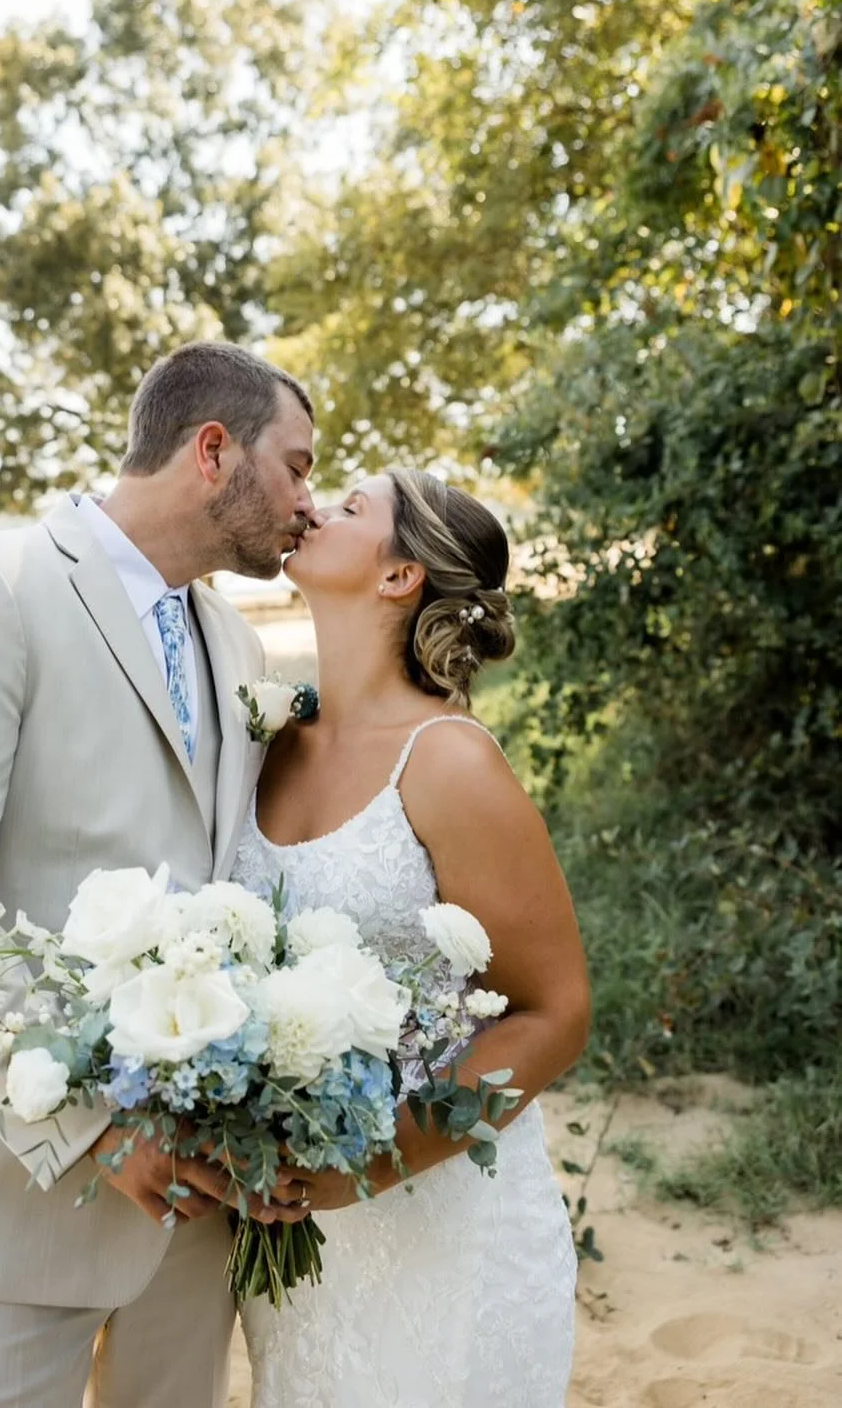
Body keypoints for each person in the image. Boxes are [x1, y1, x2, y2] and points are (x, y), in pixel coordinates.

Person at [0, 341, 319, 1408]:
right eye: (296, 465)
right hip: (8, 1198)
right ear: (211, 452)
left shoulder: (237, 646)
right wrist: (91, 1124)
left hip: (190, 1218)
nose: (306, 502)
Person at [231, 469, 590, 1407]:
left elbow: (554, 1014)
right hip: (297, 1230)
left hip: (441, 1217)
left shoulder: (447, 761)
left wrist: (362, 1165)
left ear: (398, 578)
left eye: (349, 508)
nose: (310, 507)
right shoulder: (272, 736)